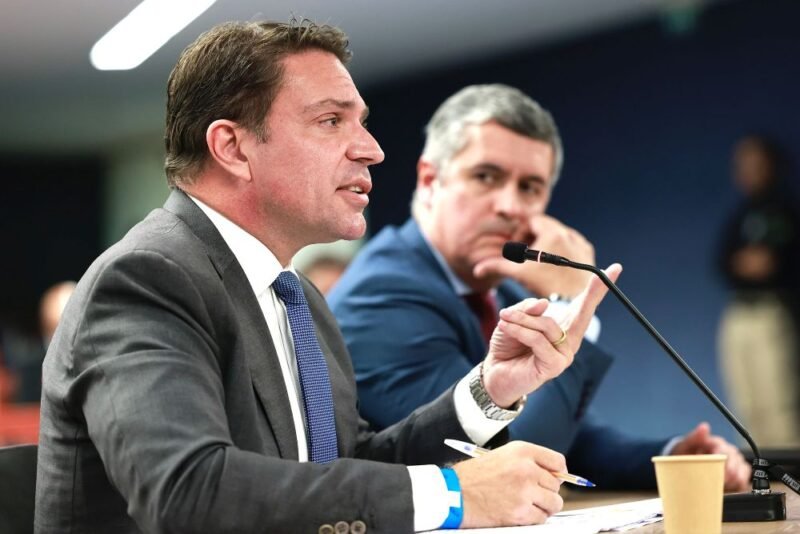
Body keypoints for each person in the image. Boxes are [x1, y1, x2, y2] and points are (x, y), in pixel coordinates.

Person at [35, 21, 619, 533]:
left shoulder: (297, 297)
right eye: (331, 120)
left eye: (361, 122)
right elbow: (188, 491)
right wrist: (453, 493)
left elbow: (344, 467)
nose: (371, 150)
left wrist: (488, 392)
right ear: (232, 147)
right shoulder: (146, 279)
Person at [328, 84, 752, 491]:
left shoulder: (509, 292)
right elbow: (503, 455)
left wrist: (671, 457)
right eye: (486, 176)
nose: (510, 207)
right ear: (429, 180)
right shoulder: (380, 295)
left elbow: (574, 438)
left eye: (530, 187)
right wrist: (572, 305)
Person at [717, 135, 800, 447]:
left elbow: (782, 261)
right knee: (746, 408)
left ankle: (790, 476)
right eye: (741, 165)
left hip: (772, 311)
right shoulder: (740, 214)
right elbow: (721, 260)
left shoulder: (787, 210)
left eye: (754, 163)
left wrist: (770, 263)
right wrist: (742, 263)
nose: (747, 171)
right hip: (739, 311)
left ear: (771, 165)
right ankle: (759, 471)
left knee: (777, 405)